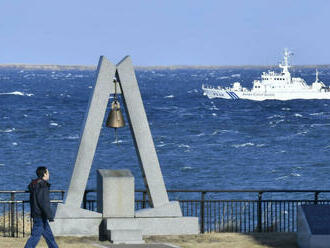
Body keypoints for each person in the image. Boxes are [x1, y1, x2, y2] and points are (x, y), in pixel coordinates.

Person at [24, 166, 58, 248]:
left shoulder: (35, 184)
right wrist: (50, 215)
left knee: (50, 237)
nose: (49, 174)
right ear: (44, 174)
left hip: (38, 214)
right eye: (48, 172)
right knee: (35, 237)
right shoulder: (42, 185)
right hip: (40, 215)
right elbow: (43, 202)